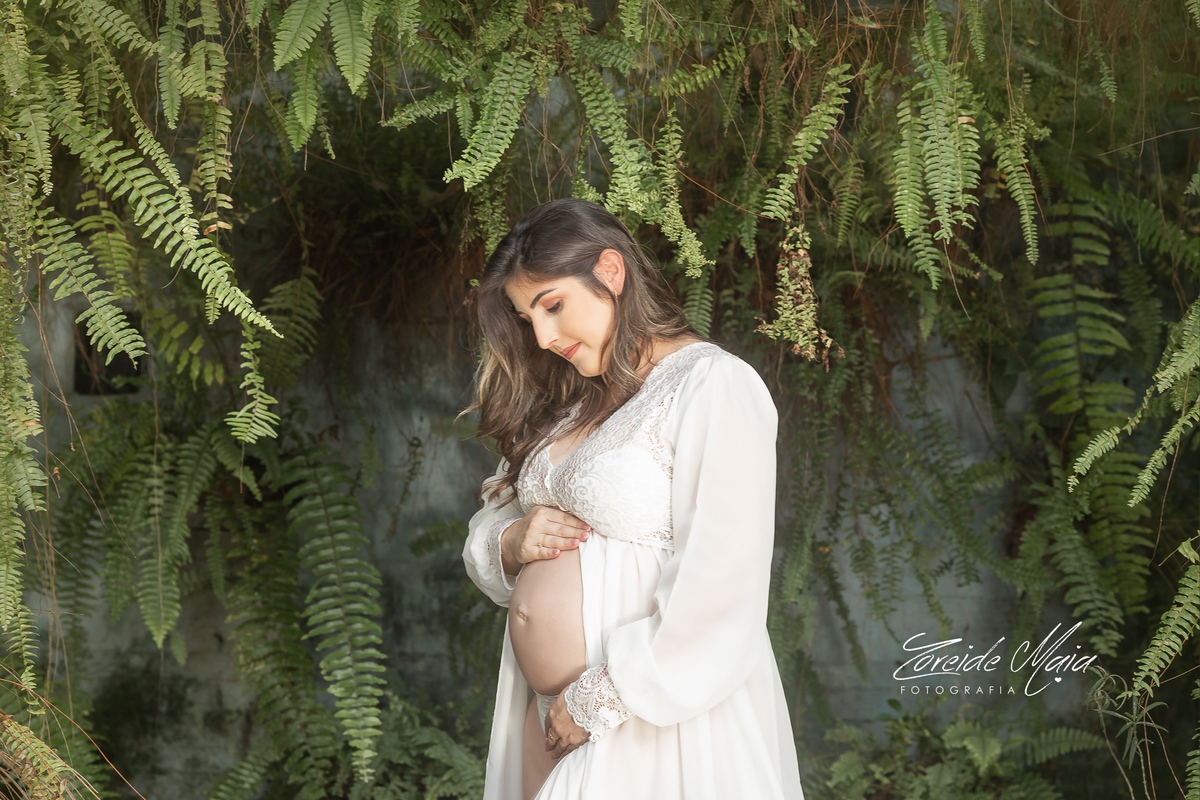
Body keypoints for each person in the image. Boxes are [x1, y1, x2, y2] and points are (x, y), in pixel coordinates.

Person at [462, 198, 804, 800]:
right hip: (542, 716)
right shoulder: (567, 402)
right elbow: (492, 524)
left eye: (552, 306)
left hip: (650, 724)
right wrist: (510, 542)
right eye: (526, 318)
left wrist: (602, 698)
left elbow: (723, 581)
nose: (542, 337)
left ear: (611, 271)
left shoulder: (713, 385)